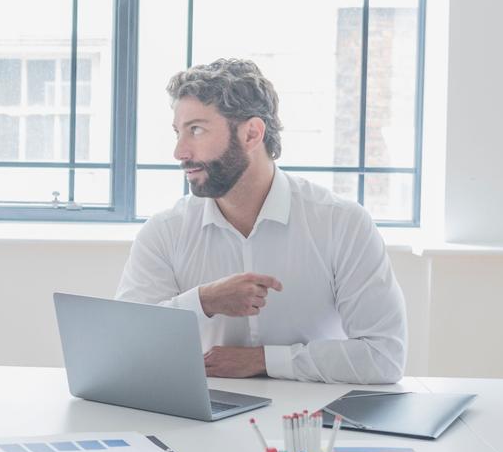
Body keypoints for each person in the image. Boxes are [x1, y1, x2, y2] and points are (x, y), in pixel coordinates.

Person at [116, 58, 406, 384]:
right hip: (199, 424)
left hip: (312, 424)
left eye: (196, 130)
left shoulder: (343, 224)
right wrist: (204, 301)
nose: (179, 151)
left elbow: (384, 357)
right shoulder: (164, 232)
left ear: (251, 134)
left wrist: (263, 360)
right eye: (178, 132)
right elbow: (126, 348)